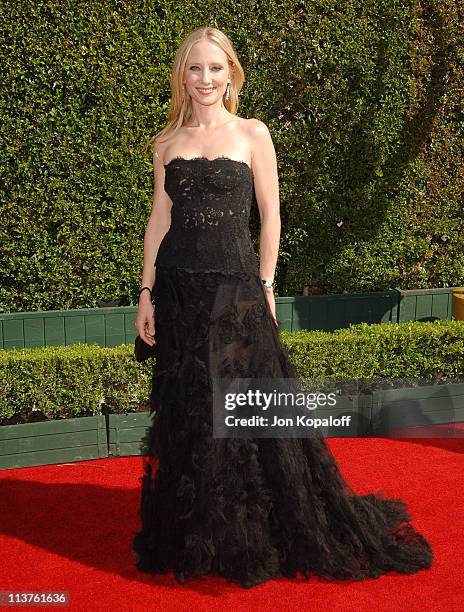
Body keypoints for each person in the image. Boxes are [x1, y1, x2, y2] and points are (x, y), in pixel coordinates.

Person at [132, 26, 433, 589]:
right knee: (190, 413)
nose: (205, 79)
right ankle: (197, 534)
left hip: (234, 289)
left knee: (240, 410)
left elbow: (270, 215)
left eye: (216, 69)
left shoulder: (252, 133)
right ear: (182, 75)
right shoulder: (165, 142)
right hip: (177, 291)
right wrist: (146, 292)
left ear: (231, 74)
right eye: (195, 69)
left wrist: (266, 283)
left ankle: (246, 533)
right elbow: (160, 219)